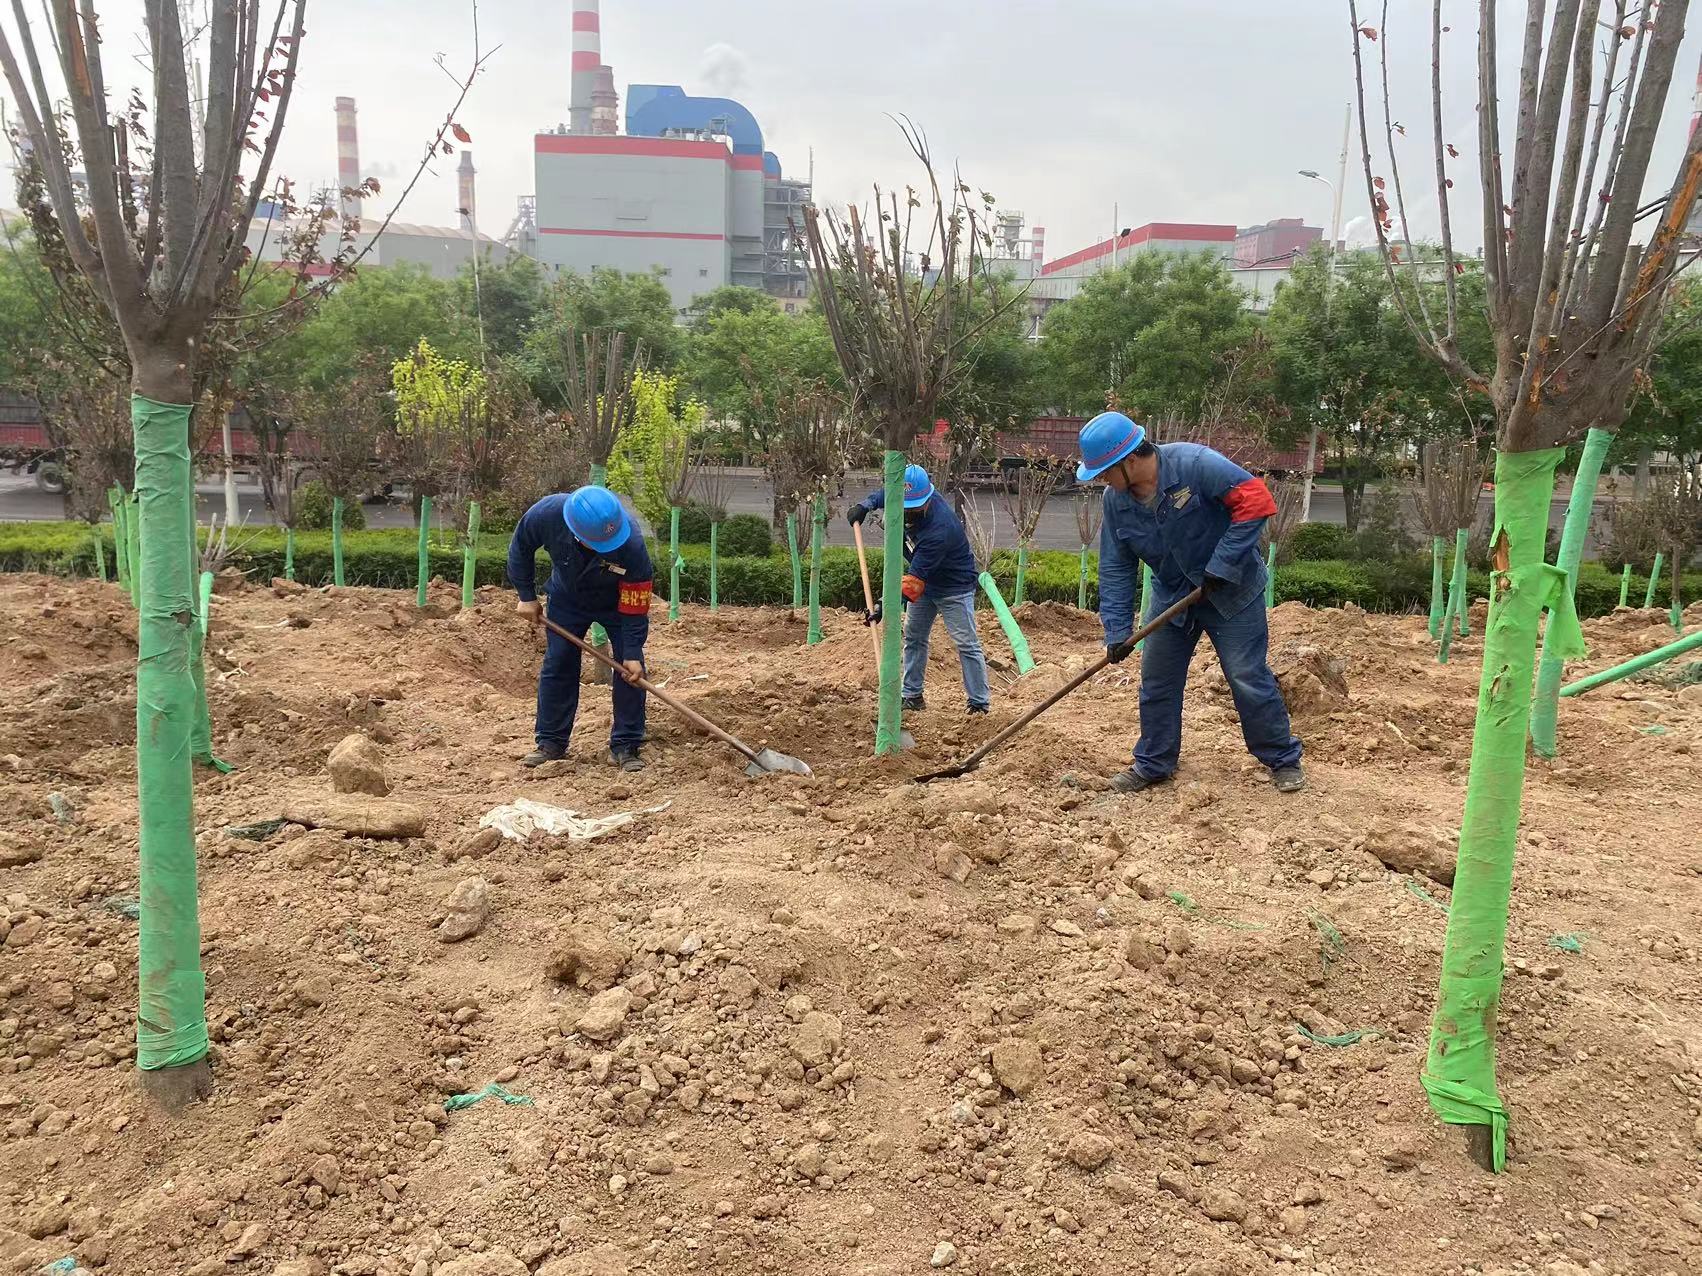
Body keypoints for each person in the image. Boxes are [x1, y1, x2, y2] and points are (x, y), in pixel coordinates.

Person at [1077, 411, 1304, 794]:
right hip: (1172, 595)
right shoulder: (1115, 501)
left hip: (1233, 590)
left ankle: (1282, 757)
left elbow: (1256, 501)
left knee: (1246, 675)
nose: (1102, 480)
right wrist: (1116, 631)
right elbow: (1116, 566)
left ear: (1130, 460)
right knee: (1158, 680)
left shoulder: (1196, 465)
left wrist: (1223, 563)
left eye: (1104, 471)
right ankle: (1153, 763)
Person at [508, 485, 653, 772]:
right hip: (567, 599)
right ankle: (551, 742)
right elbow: (521, 546)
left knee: (630, 671)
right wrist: (526, 596)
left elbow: (636, 604)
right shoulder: (547, 514)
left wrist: (633, 651)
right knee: (559, 661)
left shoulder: (632, 544)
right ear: (576, 532)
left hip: (618, 605)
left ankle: (626, 744)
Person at [846, 463, 990, 715]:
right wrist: (865, 506)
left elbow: (914, 581)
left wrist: (884, 604)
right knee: (913, 636)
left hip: (953, 587)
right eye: (904, 507)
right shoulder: (905, 496)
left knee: (966, 643)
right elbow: (885, 494)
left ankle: (978, 703)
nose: (908, 513)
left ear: (927, 499)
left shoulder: (939, 529)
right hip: (924, 583)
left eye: (913, 509)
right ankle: (912, 696)